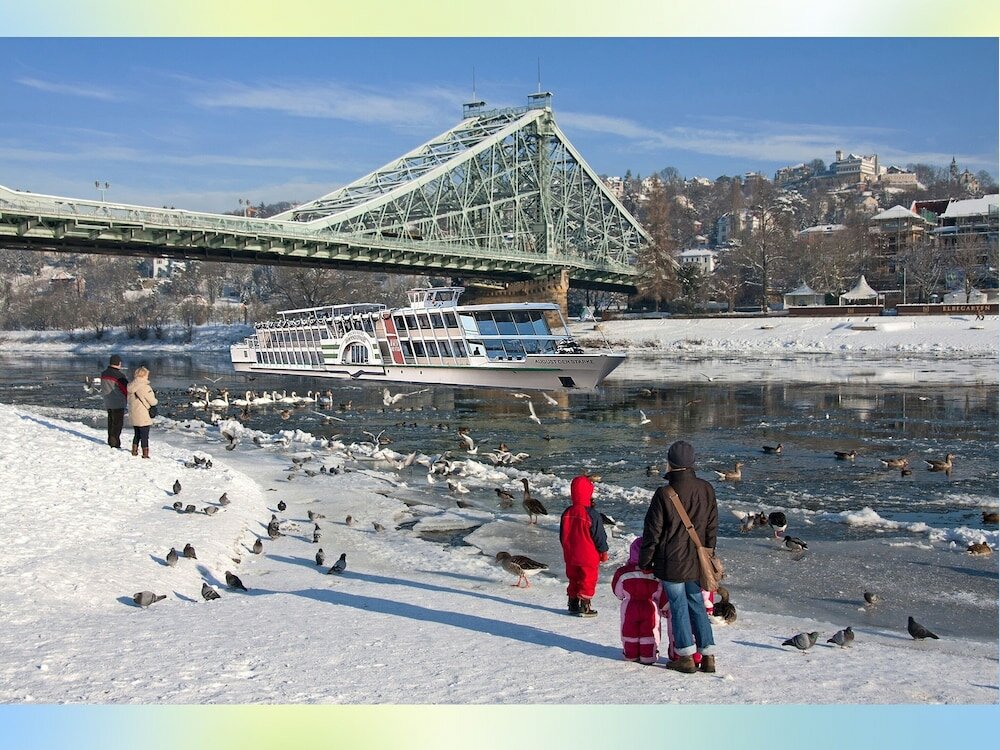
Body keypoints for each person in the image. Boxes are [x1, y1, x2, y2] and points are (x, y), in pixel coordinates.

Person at [638, 440, 718, 673]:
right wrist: (708, 552)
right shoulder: (706, 488)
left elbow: (652, 531)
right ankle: (708, 654)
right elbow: (712, 526)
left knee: (679, 607)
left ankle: (685, 657)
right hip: (697, 559)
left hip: (670, 561)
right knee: (697, 604)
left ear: (670, 463)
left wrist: (645, 560)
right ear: (692, 462)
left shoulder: (664, 493)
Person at [559, 474, 609, 617]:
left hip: (571, 554)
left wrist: (566, 548)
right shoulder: (591, 514)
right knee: (588, 579)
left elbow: (562, 535)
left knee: (573, 578)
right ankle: (585, 606)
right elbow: (599, 535)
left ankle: (572, 603)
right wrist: (603, 551)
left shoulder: (567, 512)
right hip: (588, 555)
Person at [611, 537, 665, 664]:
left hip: (630, 605)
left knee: (629, 629)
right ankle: (648, 656)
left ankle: (630, 654)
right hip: (650, 606)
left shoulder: (623, 572)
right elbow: (661, 592)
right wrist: (661, 606)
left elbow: (617, 591)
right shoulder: (656, 574)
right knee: (650, 630)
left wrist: (622, 596)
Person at [126, 365, 158, 458]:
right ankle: (145, 453)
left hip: (134, 414)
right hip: (143, 414)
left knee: (137, 434)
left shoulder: (130, 386)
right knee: (145, 435)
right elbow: (152, 401)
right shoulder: (144, 387)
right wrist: (155, 401)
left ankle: (134, 450)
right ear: (144, 375)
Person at [99, 354, 129, 449]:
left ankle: (110, 440)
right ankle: (115, 443)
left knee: (111, 421)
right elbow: (126, 389)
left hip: (108, 401)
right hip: (118, 402)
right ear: (119, 363)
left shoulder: (104, 373)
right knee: (117, 424)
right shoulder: (119, 376)